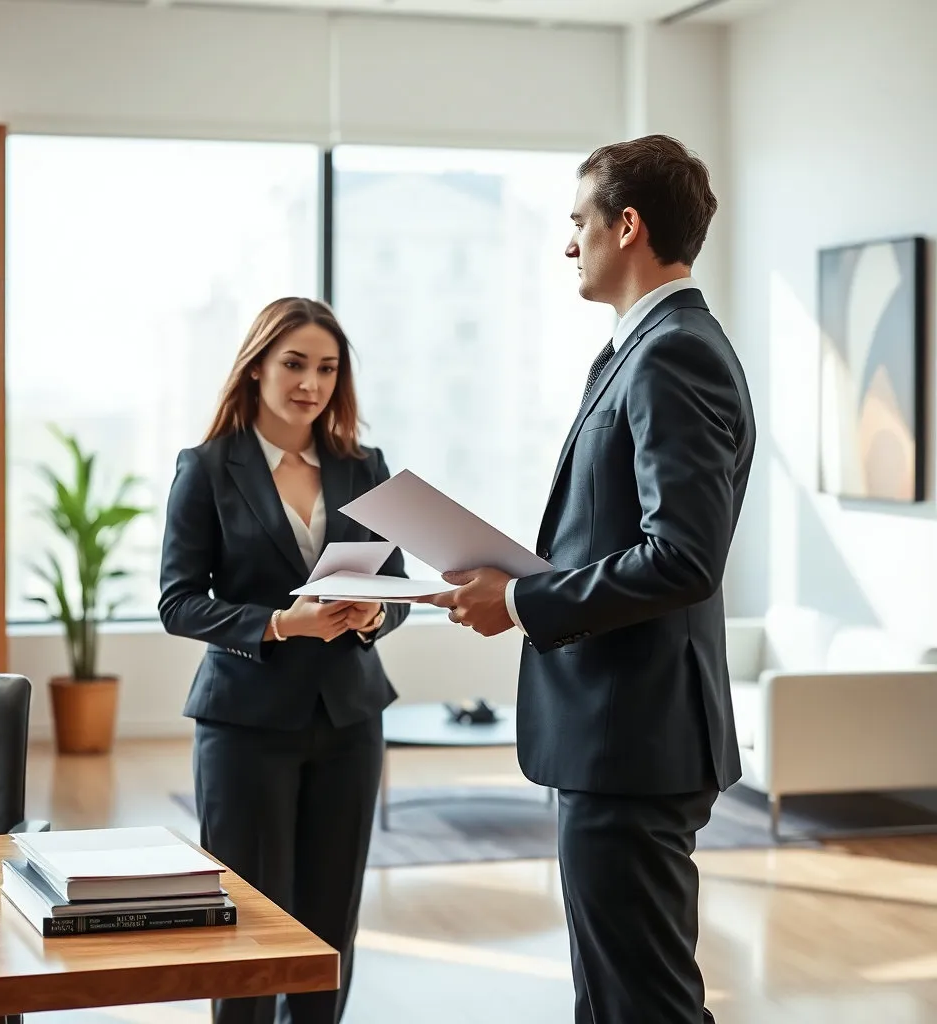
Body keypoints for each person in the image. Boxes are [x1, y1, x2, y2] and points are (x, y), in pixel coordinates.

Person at [421, 135, 756, 1023]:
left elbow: (683, 556)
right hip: (622, 732)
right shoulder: (644, 349)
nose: (569, 243)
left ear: (628, 226)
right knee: (613, 1000)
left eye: (580, 221)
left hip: (631, 735)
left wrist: (520, 599)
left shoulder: (673, 353)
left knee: (641, 1003)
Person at [159, 296, 408, 1024]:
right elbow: (178, 602)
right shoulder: (207, 468)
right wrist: (275, 623)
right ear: (256, 367)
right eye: (294, 364)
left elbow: (396, 587)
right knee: (247, 918)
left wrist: (373, 615)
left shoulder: (366, 468)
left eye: (327, 369)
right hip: (245, 722)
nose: (310, 384)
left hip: (350, 719)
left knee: (331, 919)